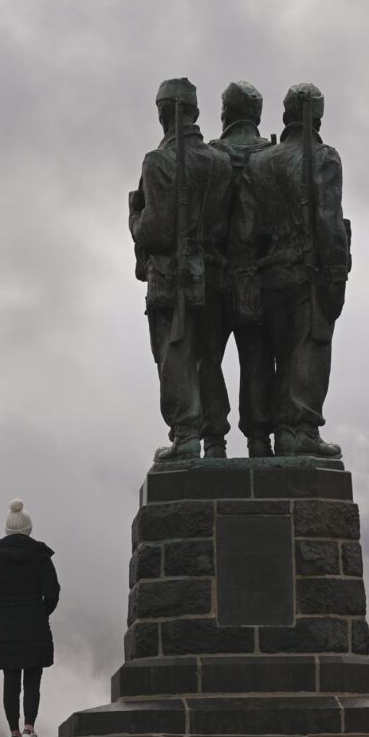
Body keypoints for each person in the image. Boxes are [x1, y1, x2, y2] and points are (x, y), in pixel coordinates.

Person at [240, 82, 350, 457]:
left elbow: (246, 229)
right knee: (307, 351)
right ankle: (300, 432)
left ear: (285, 115)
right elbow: (328, 221)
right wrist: (338, 272)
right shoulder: (324, 157)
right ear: (317, 116)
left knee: (273, 357)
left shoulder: (259, 162)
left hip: (268, 274)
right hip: (309, 274)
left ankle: (279, 433)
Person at [129, 77, 234, 461]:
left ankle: (186, 436)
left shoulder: (158, 161)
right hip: (216, 278)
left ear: (162, 113)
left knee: (176, 357)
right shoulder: (220, 161)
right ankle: (216, 441)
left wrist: (134, 218)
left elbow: (155, 233)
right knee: (210, 360)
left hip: (172, 279)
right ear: (195, 112)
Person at [209, 81, 276, 458]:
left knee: (207, 360)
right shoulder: (273, 155)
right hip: (263, 274)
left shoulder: (209, 155)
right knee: (258, 359)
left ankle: (213, 441)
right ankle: (259, 439)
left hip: (214, 275)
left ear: (225, 114)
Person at [0, 499, 60, 737]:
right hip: (35, 623)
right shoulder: (42, 557)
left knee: (10, 679)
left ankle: (13, 733)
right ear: (28, 529)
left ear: (7, 530)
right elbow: (53, 593)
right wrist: (41, 612)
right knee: (33, 678)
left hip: (7, 626)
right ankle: (29, 729)